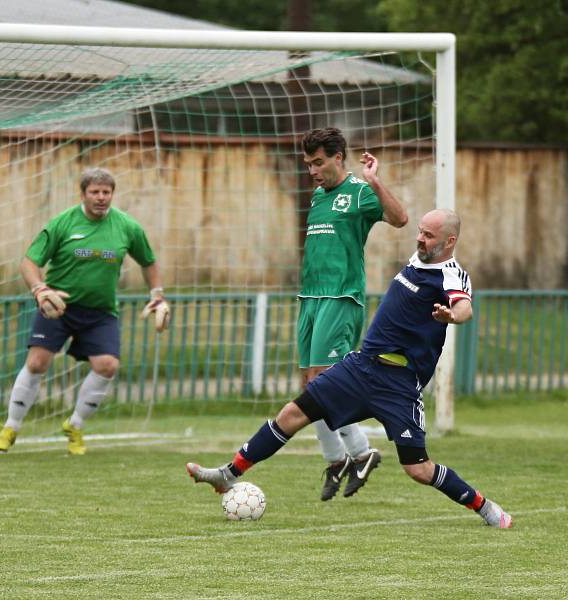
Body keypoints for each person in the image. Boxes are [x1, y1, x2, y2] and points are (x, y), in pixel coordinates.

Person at [187, 209, 513, 528]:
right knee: (292, 414)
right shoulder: (419, 259)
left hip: (398, 384)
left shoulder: (452, 275)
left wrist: (453, 316)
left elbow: (465, 306)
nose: (420, 239)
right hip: (359, 368)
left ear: (450, 240)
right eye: (420, 231)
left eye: (429, 235)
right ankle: (227, 475)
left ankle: (483, 506)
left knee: (419, 470)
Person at [0, 167, 169, 456]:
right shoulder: (63, 223)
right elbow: (28, 262)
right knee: (37, 362)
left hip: (100, 312)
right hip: (58, 307)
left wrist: (157, 295)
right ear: (83, 193)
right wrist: (40, 289)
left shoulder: (127, 227)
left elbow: (149, 261)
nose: (101, 197)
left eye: (106, 192)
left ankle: (75, 425)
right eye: (95, 192)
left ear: (112, 193)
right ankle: (11, 426)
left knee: (108, 366)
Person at [297, 127, 408, 500]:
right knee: (310, 388)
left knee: (324, 382)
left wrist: (375, 182)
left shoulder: (358, 193)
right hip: (310, 298)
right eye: (309, 164)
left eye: (319, 162)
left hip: (340, 297)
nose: (313, 170)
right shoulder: (317, 196)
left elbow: (400, 218)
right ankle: (345, 456)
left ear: (338, 157)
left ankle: (356, 453)